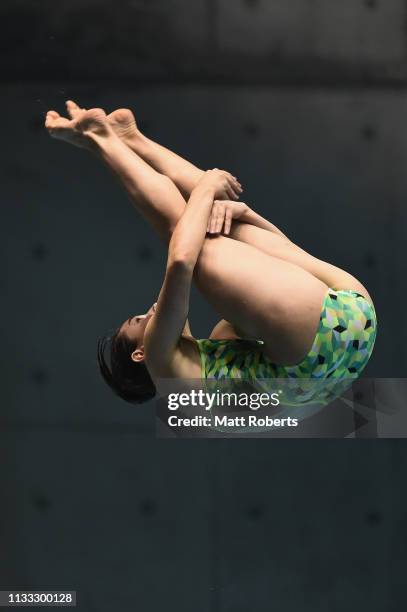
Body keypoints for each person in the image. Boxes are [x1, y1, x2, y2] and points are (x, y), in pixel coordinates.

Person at [45, 100, 378, 407]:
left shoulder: (220, 352)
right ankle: (101, 138)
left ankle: (129, 138)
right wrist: (208, 184)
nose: (150, 312)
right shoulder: (162, 366)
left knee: (214, 225)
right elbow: (179, 262)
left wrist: (247, 213)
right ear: (139, 353)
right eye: (138, 322)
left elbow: (284, 269)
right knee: (188, 240)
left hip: (356, 332)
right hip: (327, 336)